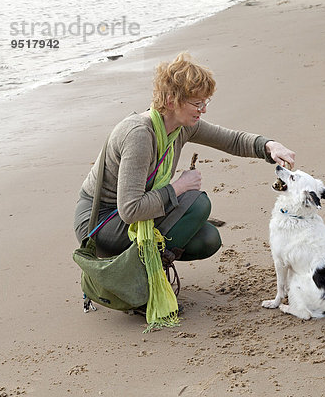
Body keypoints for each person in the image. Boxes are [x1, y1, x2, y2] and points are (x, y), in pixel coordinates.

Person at [73, 52, 295, 328]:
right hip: (101, 223)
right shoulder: (140, 135)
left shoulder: (181, 127)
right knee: (196, 202)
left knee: (207, 238)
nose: (203, 110)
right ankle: (141, 283)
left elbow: (231, 140)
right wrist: (178, 187)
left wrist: (269, 146)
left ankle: (149, 269)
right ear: (171, 101)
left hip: (126, 215)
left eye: (206, 102)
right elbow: (129, 210)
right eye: (197, 103)